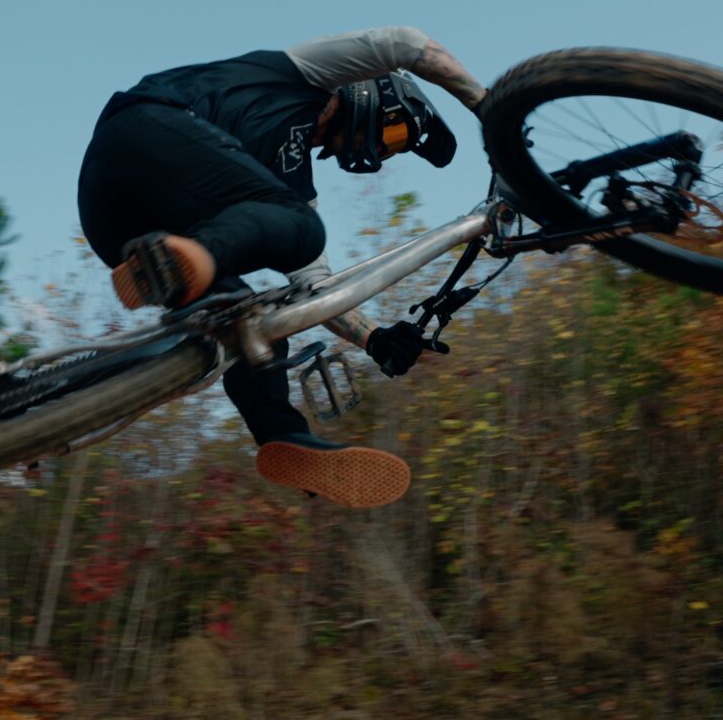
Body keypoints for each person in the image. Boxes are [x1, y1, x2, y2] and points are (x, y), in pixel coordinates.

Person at [76, 27, 489, 509]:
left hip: (122, 226)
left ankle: (41, 404)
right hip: (145, 130)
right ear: (377, 96)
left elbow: (315, 292)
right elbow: (406, 45)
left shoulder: (292, 192)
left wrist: (374, 338)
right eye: (394, 137)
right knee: (303, 230)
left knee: (252, 323)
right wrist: (487, 107)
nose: (380, 155)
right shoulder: (306, 74)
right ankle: (193, 258)